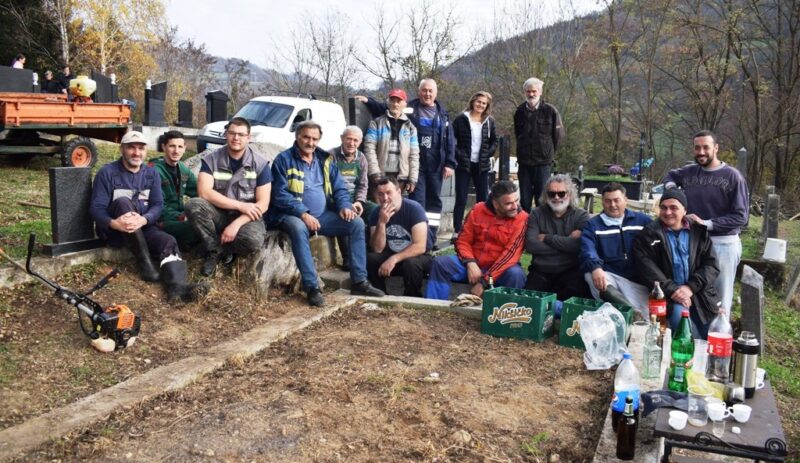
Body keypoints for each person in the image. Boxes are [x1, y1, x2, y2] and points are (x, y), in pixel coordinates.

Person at [266, 120, 385, 307]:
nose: (310, 142)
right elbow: (279, 195)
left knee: (356, 223)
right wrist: (303, 213)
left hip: (322, 216)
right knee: (298, 228)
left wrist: (344, 206)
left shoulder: (325, 160)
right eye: (306, 137)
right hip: (292, 216)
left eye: (314, 139)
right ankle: (312, 287)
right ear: (297, 137)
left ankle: (359, 281)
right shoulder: (283, 160)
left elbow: (339, 189)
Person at [89, 131, 208, 302]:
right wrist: (114, 223)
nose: (136, 153)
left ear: (146, 151)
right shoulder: (107, 172)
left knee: (168, 241)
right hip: (115, 232)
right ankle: (146, 264)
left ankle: (177, 290)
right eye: (131, 148)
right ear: (122, 149)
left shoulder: (151, 173)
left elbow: (157, 205)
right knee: (123, 202)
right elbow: (96, 208)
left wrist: (144, 219)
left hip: (143, 226)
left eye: (141, 148)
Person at [663, 130, 749, 316]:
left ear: (716, 148)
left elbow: (741, 217)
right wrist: (672, 190)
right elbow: (670, 176)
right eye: (697, 148)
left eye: (705, 147)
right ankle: (693, 331)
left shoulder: (732, 177)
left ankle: (719, 331)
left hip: (723, 244)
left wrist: (707, 223)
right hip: (694, 242)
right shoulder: (689, 172)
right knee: (693, 292)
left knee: (719, 298)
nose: (701, 152)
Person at [359, 79, 456, 241]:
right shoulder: (410, 108)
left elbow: (450, 140)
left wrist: (450, 163)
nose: (427, 94)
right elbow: (390, 108)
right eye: (424, 90)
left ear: (436, 93)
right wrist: (369, 101)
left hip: (435, 165)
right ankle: (416, 237)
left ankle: (430, 238)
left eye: (430, 91)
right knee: (417, 202)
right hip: (417, 167)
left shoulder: (443, 115)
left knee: (434, 203)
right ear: (419, 92)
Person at [185, 117, 271, 276]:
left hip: (247, 218)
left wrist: (236, 224)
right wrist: (240, 205)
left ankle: (222, 248)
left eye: (241, 134)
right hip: (219, 213)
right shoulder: (211, 160)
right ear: (226, 134)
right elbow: (204, 192)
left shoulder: (260, 164)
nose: (236, 138)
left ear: (248, 137)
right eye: (232, 133)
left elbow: (263, 203)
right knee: (194, 205)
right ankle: (213, 251)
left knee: (253, 240)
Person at [633, 188, 721, 339]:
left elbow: (711, 265)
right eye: (663, 207)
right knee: (687, 335)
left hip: (700, 294)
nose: (668, 212)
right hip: (669, 296)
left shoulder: (698, 232)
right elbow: (647, 269)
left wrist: (690, 287)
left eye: (673, 207)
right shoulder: (648, 235)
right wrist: (674, 291)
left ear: (685, 210)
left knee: (713, 335)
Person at [425, 180, 527, 300]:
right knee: (441, 264)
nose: (515, 206)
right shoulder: (478, 210)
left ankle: (504, 310)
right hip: (473, 263)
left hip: (501, 271)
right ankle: (435, 306)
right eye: (509, 203)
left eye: (516, 200)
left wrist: (484, 282)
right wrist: (470, 263)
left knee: (516, 275)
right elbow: (462, 240)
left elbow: (510, 256)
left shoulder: (523, 219)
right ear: (496, 204)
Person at [580, 183, 652, 318]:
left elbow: (663, 231)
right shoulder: (593, 225)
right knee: (590, 274)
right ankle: (630, 311)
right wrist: (596, 267)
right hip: (611, 279)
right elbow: (587, 249)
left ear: (625, 200)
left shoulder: (642, 221)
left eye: (616, 200)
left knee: (648, 319)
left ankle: (629, 313)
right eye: (607, 201)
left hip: (638, 282)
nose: (612, 205)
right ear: (602, 202)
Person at [525, 174, 590, 301]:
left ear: (570, 194)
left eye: (561, 193)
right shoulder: (536, 214)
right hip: (540, 271)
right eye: (551, 194)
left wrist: (548, 238)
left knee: (573, 304)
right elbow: (530, 245)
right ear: (546, 195)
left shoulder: (581, 216)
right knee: (529, 304)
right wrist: (566, 244)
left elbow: (579, 245)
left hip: (571, 271)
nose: (556, 197)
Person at [367, 177, 434, 296]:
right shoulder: (376, 213)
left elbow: (420, 246)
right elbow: (377, 249)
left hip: (419, 256)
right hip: (391, 254)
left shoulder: (414, 209)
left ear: (398, 192)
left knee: (411, 263)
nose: (385, 198)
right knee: (371, 259)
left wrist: (394, 259)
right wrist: (381, 223)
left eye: (389, 193)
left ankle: (412, 298)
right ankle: (381, 296)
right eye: (381, 194)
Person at [451, 91, 498, 243]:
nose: (480, 105)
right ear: (473, 102)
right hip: (464, 164)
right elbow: (452, 140)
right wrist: (459, 155)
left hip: (482, 165)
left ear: (487, 106)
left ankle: (480, 230)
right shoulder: (461, 119)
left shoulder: (489, 121)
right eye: (478, 102)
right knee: (461, 198)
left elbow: (494, 141)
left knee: (482, 200)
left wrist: (488, 153)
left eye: (484, 103)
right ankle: (457, 231)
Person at [514, 77, 565, 212]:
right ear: (524, 92)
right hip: (524, 163)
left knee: (542, 199)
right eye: (528, 91)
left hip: (543, 163)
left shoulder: (550, 111)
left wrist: (548, 152)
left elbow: (558, 136)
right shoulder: (519, 111)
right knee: (524, 200)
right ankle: (524, 224)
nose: (531, 94)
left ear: (540, 92)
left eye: (534, 91)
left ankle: (541, 224)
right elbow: (518, 135)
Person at [330, 126, 376, 270]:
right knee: (346, 215)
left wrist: (359, 201)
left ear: (360, 142)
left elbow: (363, 184)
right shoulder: (331, 156)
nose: (351, 143)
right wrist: (343, 203)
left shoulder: (361, 158)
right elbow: (327, 185)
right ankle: (347, 257)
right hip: (335, 200)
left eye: (355, 140)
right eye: (348, 139)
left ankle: (370, 250)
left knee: (376, 211)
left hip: (355, 199)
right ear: (341, 138)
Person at [362, 88, 420, 193]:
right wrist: (374, 173)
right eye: (392, 100)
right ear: (388, 102)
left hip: (401, 179)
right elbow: (369, 149)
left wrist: (413, 179)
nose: (395, 104)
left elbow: (414, 155)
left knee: (397, 204)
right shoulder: (376, 123)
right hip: (380, 177)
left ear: (404, 104)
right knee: (380, 203)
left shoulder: (411, 128)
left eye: (399, 101)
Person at [148, 131, 198, 249]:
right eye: (172, 146)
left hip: (180, 216)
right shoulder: (153, 170)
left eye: (180, 147)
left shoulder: (183, 169)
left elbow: (200, 192)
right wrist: (181, 216)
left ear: (184, 148)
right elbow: (157, 206)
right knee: (195, 228)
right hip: (161, 220)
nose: (176, 151)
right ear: (163, 147)